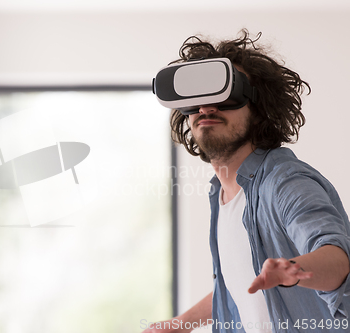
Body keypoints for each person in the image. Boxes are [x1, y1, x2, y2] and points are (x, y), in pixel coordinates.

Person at [144, 30, 350, 332]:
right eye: (198, 97)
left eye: (226, 96)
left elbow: (337, 257)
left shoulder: (284, 181)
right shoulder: (222, 193)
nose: (206, 108)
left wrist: (294, 271)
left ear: (260, 109)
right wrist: (178, 325)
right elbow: (236, 285)